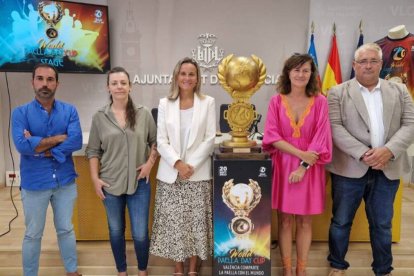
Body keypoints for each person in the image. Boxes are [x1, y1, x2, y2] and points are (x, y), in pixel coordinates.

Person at [326, 42, 414, 276]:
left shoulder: (400, 91)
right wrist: (365, 154)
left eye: (373, 61)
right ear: (354, 65)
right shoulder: (337, 92)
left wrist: (388, 150)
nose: (368, 65)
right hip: (349, 168)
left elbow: (410, 124)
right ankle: (337, 264)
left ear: (381, 64)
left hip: (388, 166)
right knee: (341, 221)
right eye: (362, 61)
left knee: (382, 224)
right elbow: (334, 128)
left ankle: (383, 269)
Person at [262, 53, 332, 276]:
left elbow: (322, 137)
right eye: (296, 70)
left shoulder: (320, 101)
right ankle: (287, 269)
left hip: (310, 167)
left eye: (305, 70)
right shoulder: (276, 100)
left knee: (304, 221)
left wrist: (303, 165)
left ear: (311, 74)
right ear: (288, 73)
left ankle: (301, 270)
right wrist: (300, 154)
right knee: (284, 221)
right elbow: (272, 135)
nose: (301, 74)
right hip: (283, 165)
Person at [11, 63, 82, 276]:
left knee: (66, 229)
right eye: (40, 79)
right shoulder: (20, 113)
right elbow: (21, 146)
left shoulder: (70, 110)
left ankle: (72, 271)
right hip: (35, 184)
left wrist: (39, 146)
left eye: (50, 79)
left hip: (65, 181)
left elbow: (76, 141)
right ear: (32, 82)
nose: (45, 84)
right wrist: (59, 139)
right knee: (33, 234)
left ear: (57, 84)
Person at [86, 67, 157, 276]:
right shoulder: (100, 117)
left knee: (141, 233)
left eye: (123, 83)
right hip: (110, 184)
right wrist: (94, 179)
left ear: (130, 86)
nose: (119, 87)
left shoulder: (144, 113)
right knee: (116, 231)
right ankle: (121, 271)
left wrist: (149, 165)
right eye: (114, 83)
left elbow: (155, 142)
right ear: (108, 87)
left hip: (139, 183)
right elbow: (93, 150)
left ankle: (142, 270)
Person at [150, 57, 216, 276]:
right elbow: (161, 140)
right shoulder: (164, 103)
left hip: (197, 175)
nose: (187, 78)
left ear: (197, 78)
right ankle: (178, 269)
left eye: (192, 74)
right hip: (171, 174)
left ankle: (193, 270)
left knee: (195, 224)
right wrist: (178, 164)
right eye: (183, 73)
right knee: (176, 226)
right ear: (176, 77)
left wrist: (191, 166)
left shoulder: (208, 102)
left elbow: (209, 139)